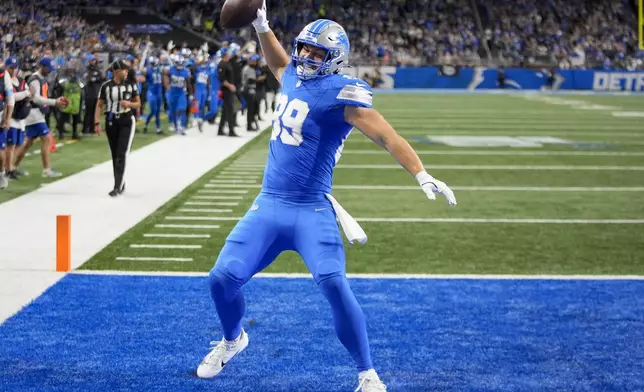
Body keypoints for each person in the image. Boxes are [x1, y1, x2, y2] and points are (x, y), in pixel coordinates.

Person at [195, 5, 457, 392]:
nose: (306, 57)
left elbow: (387, 136)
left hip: (311, 208)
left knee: (334, 282)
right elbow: (279, 62)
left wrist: (421, 173)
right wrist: (262, 26)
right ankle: (233, 340)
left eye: (316, 53)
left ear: (333, 59)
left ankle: (367, 374)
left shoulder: (342, 93)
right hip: (269, 204)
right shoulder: (290, 76)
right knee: (221, 279)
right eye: (304, 49)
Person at [13, 58, 67, 178]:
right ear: (42, 66)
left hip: (37, 113)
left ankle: (13, 168)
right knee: (46, 138)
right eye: (48, 68)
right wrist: (54, 102)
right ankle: (46, 170)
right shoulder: (35, 79)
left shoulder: (42, 78)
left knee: (28, 143)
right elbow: (35, 98)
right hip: (33, 113)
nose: (49, 71)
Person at [95, 60, 141, 197]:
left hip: (126, 119)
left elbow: (138, 103)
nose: (127, 72)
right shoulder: (106, 86)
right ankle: (120, 181)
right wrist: (97, 122)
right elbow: (99, 104)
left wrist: (128, 104)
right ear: (116, 71)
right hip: (111, 121)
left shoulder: (131, 85)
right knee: (115, 154)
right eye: (124, 69)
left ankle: (117, 186)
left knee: (122, 153)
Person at [163, 56, 191, 135]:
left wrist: (191, 94)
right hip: (172, 93)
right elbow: (165, 75)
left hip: (181, 93)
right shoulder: (171, 69)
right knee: (173, 111)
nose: (179, 64)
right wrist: (167, 85)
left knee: (182, 110)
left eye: (180, 63)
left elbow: (188, 83)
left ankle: (182, 127)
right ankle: (176, 126)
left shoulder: (185, 71)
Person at [216, 48, 238, 137]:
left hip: (229, 89)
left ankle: (220, 130)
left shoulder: (227, 63)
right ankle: (231, 131)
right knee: (230, 110)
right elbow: (222, 79)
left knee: (225, 111)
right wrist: (230, 86)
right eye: (228, 53)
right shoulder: (222, 64)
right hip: (226, 90)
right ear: (225, 54)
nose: (230, 54)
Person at [83, 54, 105, 135]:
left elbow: (101, 78)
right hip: (89, 92)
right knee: (88, 112)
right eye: (92, 60)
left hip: (96, 92)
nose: (94, 61)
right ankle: (85, 128)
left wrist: (95, 78)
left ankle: (92, 128)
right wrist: (95, 78)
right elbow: (88, 79)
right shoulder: (86, 69)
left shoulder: (96, 69)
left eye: (94, 60)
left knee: (94, 112)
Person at [142, 56, 164, 134]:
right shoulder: (148, 70)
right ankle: (146, 124)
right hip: (151, 93)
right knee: (153, 111)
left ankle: (158, 128)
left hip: (158, 93)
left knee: (157, 112)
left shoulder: (159, 69)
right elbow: (142, 71)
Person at [241, 54, 260, 131]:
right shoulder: (248, 69)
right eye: (254, 61)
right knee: (250, 109)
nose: (255, 62)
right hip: (248, 90)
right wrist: (259, 79)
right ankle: (249, 126)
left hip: (249, 90)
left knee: (252, 108)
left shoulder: (249, 68)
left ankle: (250, 124)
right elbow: (250, 80)